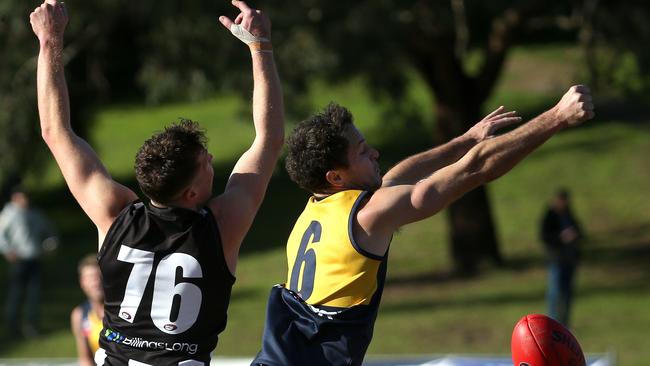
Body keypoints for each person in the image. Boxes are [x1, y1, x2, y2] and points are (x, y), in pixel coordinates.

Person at [252, 87, 594, 365]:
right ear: (335, 177)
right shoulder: (366, 215)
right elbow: (476, 170)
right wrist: (556, 117)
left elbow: (401, 175)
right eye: (362, 152)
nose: (375, 153)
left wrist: (464, 140)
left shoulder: (313, 214)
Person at [29, 0, 284, 364]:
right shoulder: (222, 226)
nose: (213, 160)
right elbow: (269, 139)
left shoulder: (114, 213)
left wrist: (49, 40)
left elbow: (54, 131)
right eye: (205, 163)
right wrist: (260, 46)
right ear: (192, 192)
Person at [0, 186, 58, 337]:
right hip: (19, 260)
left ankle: (31, 325)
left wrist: (50, 247)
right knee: (16, 293)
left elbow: (50, 232)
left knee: (34, 294)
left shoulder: (35, 214)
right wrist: (7, 250)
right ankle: (13, 326)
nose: (25, 200)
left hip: (35, 258)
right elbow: (1, 235)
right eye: (22, 197)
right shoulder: (8, 214)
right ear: (14, 198)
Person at [540, 189, 583, 327]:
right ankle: (552, 322)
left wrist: (575, 236)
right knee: (555, 291)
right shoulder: (550, 216)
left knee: (568, 292)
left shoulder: (569, 214)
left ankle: (565, 322)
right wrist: (561, 237)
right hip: (556, 260)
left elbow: (580, 231)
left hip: (569, 260)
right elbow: (545, 237)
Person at [71, 255, 105, 366]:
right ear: (82, 282)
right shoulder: (79, 315)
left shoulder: (123, 310)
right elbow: (85, 359)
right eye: (91, 278)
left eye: (99, 276)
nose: (96, 282)